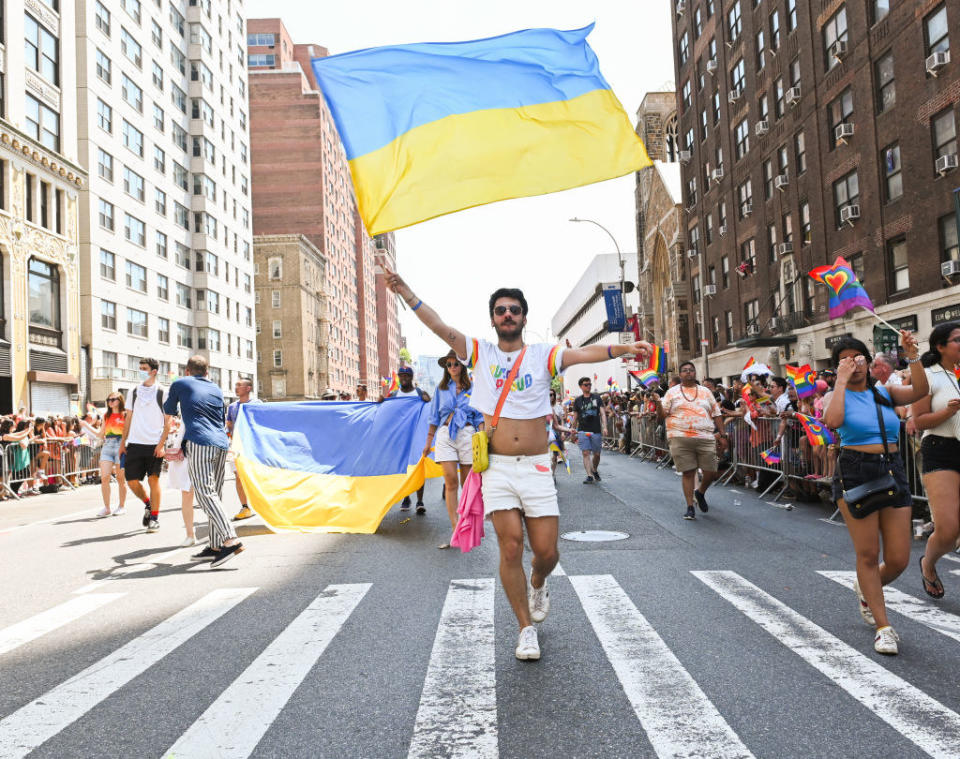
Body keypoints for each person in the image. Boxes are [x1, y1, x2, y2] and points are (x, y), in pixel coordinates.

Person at [384, 265, 650, 661]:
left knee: (546, 551)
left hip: (538, 467)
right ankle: (526, 628)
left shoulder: (544, 355)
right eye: (500, 310)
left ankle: (539, 580)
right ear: (492, 318)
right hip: (497, 468)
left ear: (524, 316)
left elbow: (582, 353)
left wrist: (622, 349)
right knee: (510, 548)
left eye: (514, 309)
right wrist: (405, 291)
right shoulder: (479, 352)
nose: (507, 315)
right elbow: (439, 326)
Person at [823, 333, 927, 655]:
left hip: (892, 468)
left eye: (859, 357)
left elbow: (921, 390)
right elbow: (833, 421)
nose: (853, 363)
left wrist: (912, 356)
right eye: (845, 359)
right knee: (868, 555)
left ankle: (866, 587)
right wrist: (840, 382)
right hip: (855, 470)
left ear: (868, 361)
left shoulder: (884, 392)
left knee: (897, 558)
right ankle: (884, 627)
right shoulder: (834, 395)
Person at [163, 355, 244, 568]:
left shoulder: (180, 383)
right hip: (220, 442)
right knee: (215, 494)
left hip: (199, 441)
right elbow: (220, 418)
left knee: (204, 492)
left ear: (187, 371)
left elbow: (168, 410)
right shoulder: (216, 389)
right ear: (207, 372)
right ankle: (216, 545)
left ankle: (230, 539)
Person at [911, 321, 960, 599]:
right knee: (949, 529)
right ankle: (928, 564)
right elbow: (919, 420)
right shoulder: (928, 376)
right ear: (940, 346)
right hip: (940, 448)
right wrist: (948, 413)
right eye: (958, 340)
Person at [422, 350, 484, 546]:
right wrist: (427, 442)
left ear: (462, 366)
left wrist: (483, 438)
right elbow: (433, 418)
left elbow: (480, 417)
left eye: (455, 363)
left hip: (467, 434)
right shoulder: (440, 390)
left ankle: (467, 523)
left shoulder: (474, 388)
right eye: (448, 365)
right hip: (445, 434)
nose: (452, 367)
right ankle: (455, 527)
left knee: (467, 485)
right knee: (450, 481)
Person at [653, 361, 727, 520]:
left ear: (695, 373)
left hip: (706, 437)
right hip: (679, 437)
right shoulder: (672, 392)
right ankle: (689, 507)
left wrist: (723, 434)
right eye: (685, 370)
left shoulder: (706, 391)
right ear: (680, 375)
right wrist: (658, 403)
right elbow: (661, 416)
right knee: (688, 472)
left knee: (712, 471)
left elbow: (717, 413)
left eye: (691, 370)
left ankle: (699, 493)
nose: (688, 373)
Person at [119, 358, 169, 533]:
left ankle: (154, 517)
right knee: (132, 481)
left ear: (154, 371)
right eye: (139, 368)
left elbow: (168, 421)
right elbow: (128, 418)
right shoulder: (133, 391)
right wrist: (122, 442)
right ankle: (148, 504)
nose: (140, 371)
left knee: (153, 479)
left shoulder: (163, 392)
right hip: (135, 442)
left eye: (144, 368)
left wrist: (162, 444)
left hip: (154, 444)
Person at [390, 366, 431, 513]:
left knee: (419, 468)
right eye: (401, 375)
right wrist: (381, 401)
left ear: (411, 377)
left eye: (407, 376)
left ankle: (420, 501)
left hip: (417, 438)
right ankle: (406, 498)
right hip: (401, 440)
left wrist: (428, 400)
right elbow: (386, 412)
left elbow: (431, 411)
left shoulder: (419, 393)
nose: (404, 378)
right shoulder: (394, 394)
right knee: (404, 470)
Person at [226, 377, 262, 521]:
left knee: (255, 477)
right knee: (239, 477)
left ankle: (261, 504)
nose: (236, 387)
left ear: (248, 388)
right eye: (236, 385)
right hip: (237, 448)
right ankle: (245, 507)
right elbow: (229, 425)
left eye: (239, 385)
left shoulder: (257, 404)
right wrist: (230, 437)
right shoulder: (232, 407)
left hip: (254, 447)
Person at [164, 417, 196, 547]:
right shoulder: (185, 406)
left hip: (206, 451)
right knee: (187, 494)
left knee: (208, 495)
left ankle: (218, 535)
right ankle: (190, 534)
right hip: (186, 453)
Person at [95, 393, 128, 517]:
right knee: (104, 477)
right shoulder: (106, 415)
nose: (110, 402)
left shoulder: (125, 414)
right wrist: (86, 426)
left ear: (119, 401)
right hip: (107, 445)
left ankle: (122, 506)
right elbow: (100, 433)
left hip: (121, 445)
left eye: (113, 399)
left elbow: (130, 431)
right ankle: (107, 507)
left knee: (120, 479)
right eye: (108, 399)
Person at [571, 377, 605, 484]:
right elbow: (575, 417)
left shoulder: (597, 398)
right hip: (583, 430)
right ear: (581, 386)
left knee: (597, 454)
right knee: (585, 453)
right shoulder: (578, 400)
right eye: (586, 384)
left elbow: (603, 413)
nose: (588, 386)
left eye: (589, 384)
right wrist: (573, 430)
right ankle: (589, 475)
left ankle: (594, 469)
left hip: (596, 429)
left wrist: (605, 427)